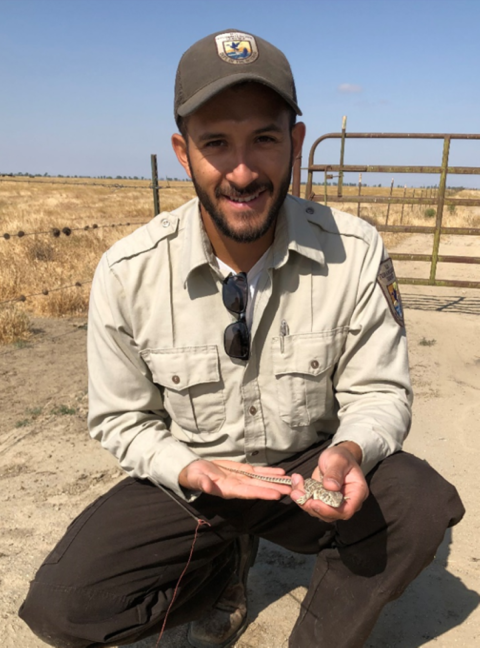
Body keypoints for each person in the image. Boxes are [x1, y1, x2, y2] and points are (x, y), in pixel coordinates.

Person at [19, 29, 464, 648]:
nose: (244, 170)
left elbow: (382, 393)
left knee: (417, 503)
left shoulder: (356, 253)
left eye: (264, 138)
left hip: (308, 470)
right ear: (183, 152)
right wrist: (195, 469)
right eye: (216, 144)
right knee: (63, 606)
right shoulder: (128, 272)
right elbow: (122, 420)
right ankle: (219, 570)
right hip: (199, 479)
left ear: (296, 143)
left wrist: (350, 452)